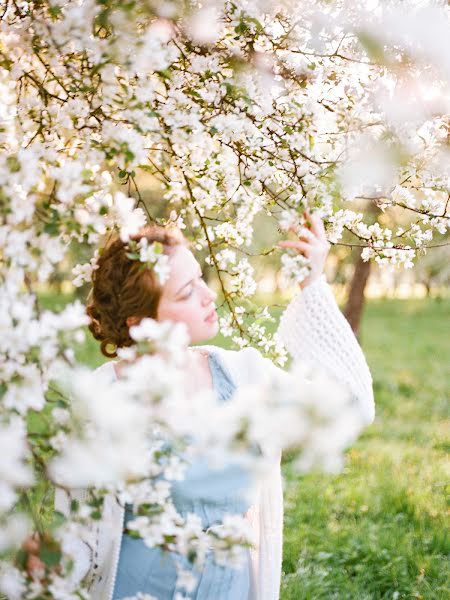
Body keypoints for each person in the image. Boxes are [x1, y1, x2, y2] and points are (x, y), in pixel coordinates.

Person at [46, 210, 374, 600]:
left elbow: (351, 406)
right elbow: (82, 536)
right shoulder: (101, 403)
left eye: (200, 278)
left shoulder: (243, 377)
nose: (209, 296)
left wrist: (313, 283)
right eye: (186, 292)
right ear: (139, 322)